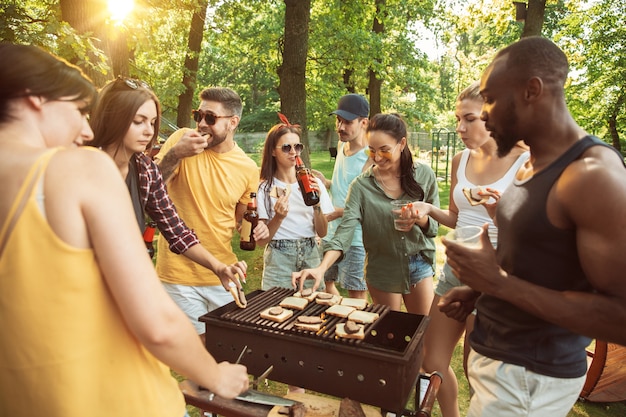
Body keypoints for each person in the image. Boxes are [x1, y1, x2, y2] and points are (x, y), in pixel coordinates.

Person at [0, 43, 249, 417]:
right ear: (36, 100)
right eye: (78, 110)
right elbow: (156, 324)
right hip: (110, 394)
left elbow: (173, 226)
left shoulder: (138, 168)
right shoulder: (81, 167)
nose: (85, 128)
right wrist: (215, 375)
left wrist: (215, 264)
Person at [441, 36, 626, 417]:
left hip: (530, 379)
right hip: (501, 366)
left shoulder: (592, 176)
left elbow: (620, 316)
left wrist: (498, 284)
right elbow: (544, 266)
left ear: (532, 90)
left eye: (491, 98)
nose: (485, 113)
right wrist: (479, 292)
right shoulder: (529, 164)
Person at [407, 81, 529, 417]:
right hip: (453, 274)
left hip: (495, 280)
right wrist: (429, 210)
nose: (460, 127)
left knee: (477, 369)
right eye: (458, 119)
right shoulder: (461, 160)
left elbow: (537, 237)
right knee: (430, 360)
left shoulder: (526, 162)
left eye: (470, 119)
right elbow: (457, 217)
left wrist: (502, 215)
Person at [88, 77, 247, 296]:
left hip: (121, 283)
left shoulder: (144, 169)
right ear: (115, 118)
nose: (149, 131)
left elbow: (176, 231)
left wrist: (218, 267)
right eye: (139, 121)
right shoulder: (83, 164)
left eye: (152, 122)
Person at [293, 113, 438, 315]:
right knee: (389, 336)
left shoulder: (424, 175)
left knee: (423, 332)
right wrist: (321, 268)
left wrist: (419, 218)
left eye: (384, 150)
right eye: (371, 150)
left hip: (418, 263)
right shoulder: (361, 186)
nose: (377, 158)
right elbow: (344, 233)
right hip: (382, 268)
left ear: (402, 143)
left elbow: (434, 228)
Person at [154, 87, 269, 337]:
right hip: (178, 274)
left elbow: (240, 221)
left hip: (223, 274)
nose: (201, 124)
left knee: (232, 350)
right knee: (199, 355)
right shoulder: (182, 140)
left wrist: (257, 226)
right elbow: (151, 190)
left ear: (233, 122)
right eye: (199, 115)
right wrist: (176, 154)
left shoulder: (248, 167)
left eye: (211, 118)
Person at [256, 113, 334, 290]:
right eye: (286, 147)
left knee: (314, 310)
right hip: (279, 255)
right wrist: (278, 218)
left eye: (297, 147)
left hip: (310, 252)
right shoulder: (265, 189)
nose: (293, 152)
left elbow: (322, 232)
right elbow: (261, 241)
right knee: (275, 309)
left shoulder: (313, 183)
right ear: (272, 151)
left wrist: (317, 205)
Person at [312, 94, 372, 300]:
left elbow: (369, 207)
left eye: (347, 122)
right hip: (330, 233)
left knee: (356, 293)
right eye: (338, 120)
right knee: (324, 284)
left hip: (355, 238)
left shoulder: (371, 157)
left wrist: (338, 213)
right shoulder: (341, 146)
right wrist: (326, 182)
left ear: (364, 122)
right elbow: (345, 185)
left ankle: (356, 329)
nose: (340, 127)